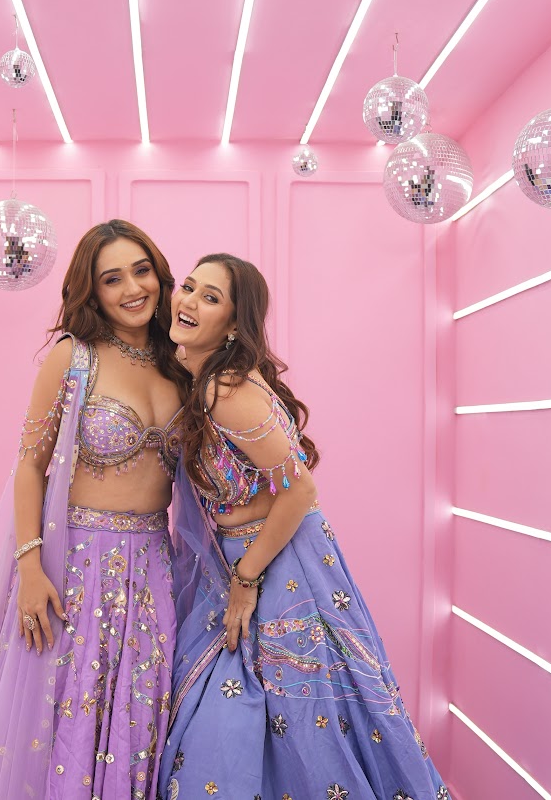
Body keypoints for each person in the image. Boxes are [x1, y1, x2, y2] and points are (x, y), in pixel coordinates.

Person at [0, 220, 190, 800]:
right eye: (112, 279)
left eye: (141, 271)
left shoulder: (181, 362)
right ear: (92, 291)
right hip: (76, 568)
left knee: (140, 719)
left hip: (154, 568)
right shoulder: (73, 357)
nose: (132, 288)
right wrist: (30, 566)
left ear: (160, 276)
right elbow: (31, 465)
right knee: (64, 723)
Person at [159, 254, 448, 800]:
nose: (189, 302)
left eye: (210, 297)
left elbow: (299, 491)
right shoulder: (205, 380)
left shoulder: (227, 390)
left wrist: (246, 579)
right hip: (251, 560)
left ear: (234, 323)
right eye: (189, 287)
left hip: (276, 565)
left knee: (302, 718)